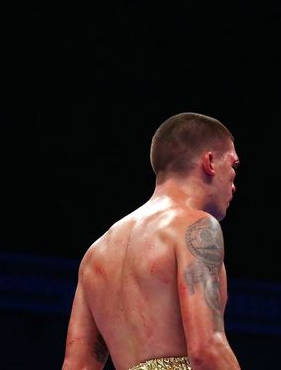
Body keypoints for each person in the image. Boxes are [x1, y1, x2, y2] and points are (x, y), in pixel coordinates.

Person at [63, 112, 242, 370]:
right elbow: (207, 349)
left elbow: (76, 366)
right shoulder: (196, 226)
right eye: (233, 165)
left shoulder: (96, 252)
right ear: (210, 161)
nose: (234, 183)